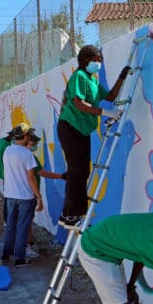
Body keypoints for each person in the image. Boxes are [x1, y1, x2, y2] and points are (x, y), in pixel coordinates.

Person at [57, 45, 130, 228]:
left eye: (99, 61)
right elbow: (79, 103)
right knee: (76, 171)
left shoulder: (93, 80)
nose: (98, 64)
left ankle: (71, 214)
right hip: (70, 127)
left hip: (82, 130)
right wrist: (105, 113)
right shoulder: (79, 77)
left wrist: (122, 76)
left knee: (83, 172)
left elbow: (111, 96)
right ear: (84, 61)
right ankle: (71, 215)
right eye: (94, 61)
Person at [0, 124, 43, 266]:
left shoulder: (7, 150)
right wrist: (38, 196)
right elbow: (31, 177)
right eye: (29, 135)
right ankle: (19, 258)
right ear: (25, 136)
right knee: (23, 227)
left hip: (9, 195)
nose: (29, 138)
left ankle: (6, 254)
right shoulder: (27, 154)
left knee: (10, 225)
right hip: (25, 196)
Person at [25, 131, 66, 257]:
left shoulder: (13, 153)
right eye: (34, 143)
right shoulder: (30, 157)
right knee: (27, 221)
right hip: (28, 194)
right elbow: (41, 173)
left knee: (25, 221)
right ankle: (27, 246)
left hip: (17, 194)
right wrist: (61, 176)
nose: (34, 146)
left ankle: (29, 243)